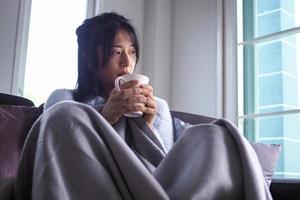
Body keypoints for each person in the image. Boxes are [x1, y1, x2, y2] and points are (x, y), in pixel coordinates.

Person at [14, 12, 272, 200]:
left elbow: (169, 168)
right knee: (64, 116)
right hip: (100, 189)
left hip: (155, 188)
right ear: (91, 58)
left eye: (132, 51)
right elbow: (56, 157)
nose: (127, 62)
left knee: (215, 134)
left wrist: (148, 126)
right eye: (116, 52)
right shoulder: (65, 100)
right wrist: (105, 117)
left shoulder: (157, 106)